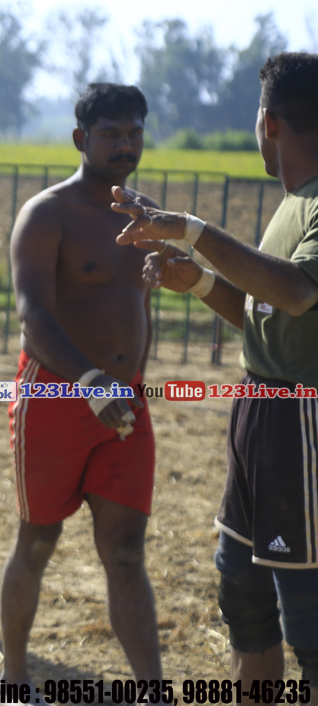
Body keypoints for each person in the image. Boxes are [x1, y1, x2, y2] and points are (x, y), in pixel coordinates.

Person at [113, 52, 318, 685]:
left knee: (310, 632)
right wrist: (197, 278)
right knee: (246, 610)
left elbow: (297, 292)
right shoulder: (294, 202)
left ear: (269, 122)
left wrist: (193, 229)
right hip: (259, 419)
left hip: (302, 427)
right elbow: (267, 315)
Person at [2, 83, 163, 688]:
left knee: (125, 552)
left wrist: (127, 380)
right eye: (111, 134)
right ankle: (15, 680)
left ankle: (153, 693)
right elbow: (32, 315)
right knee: (37, 540)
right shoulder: (47, 214)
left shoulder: (145, 215)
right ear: (81, 139)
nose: (125, 145)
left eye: (134, 132)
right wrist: (91, 381)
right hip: (56, 399)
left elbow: (139, 305)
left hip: (125, 404)